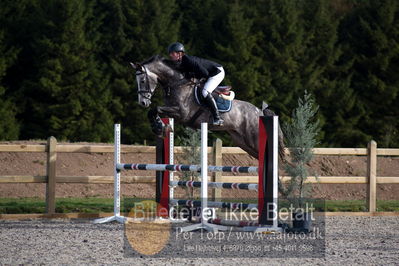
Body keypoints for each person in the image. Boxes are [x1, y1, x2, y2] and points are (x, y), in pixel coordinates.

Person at [167, 42, 224, 126]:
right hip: (208, 73)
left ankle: (217, 118)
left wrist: (194, 77)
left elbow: (204, 73)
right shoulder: (181, 63)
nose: (170, 55)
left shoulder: (189, 60)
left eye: (172, 53)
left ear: (179, 54)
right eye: (170, 53)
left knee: (205, 92)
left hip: (216, 72)